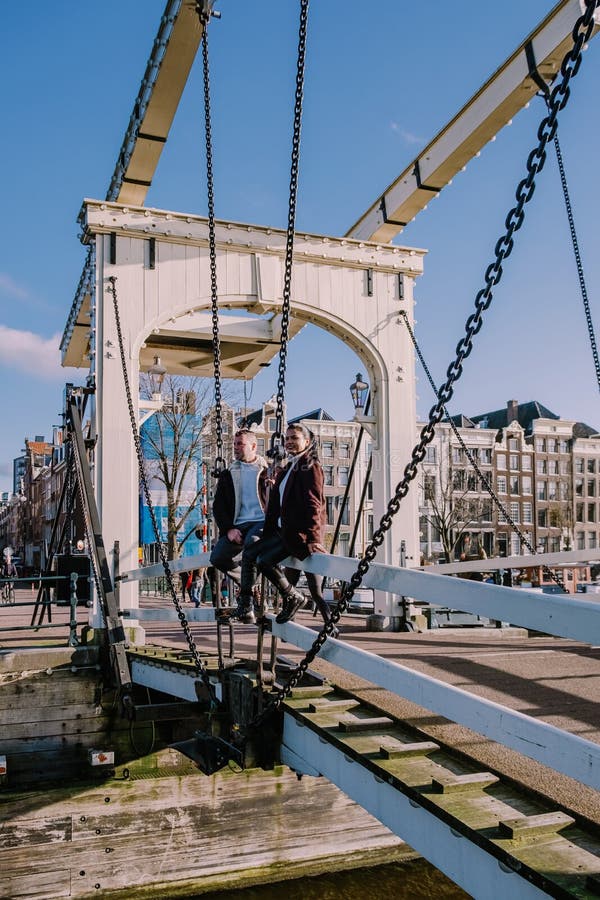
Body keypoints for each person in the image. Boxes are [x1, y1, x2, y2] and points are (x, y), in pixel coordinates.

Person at [242, 423, 337, 631]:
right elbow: (277, 503)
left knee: (267, 563)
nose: (289, 442)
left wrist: (313, 538)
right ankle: (247, 604)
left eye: (294, 438)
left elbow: (314, 503)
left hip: (298, 535)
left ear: (307, 441)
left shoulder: (310, 465)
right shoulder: (289, 467)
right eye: (287, 438)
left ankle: (301, 606)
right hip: (283, 533)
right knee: (251, 553)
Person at [210, 428, 270, 624]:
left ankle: (246, 604)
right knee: (218, 557)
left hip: (261, 521)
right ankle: (253, 586)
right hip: (238, 524)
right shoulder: (229, 473)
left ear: (253, 446)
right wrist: (228, 529)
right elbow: (218, 506)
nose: (236, 448)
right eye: (235, 444)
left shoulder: (266, 471)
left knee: (253, 543)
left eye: (240, 444)